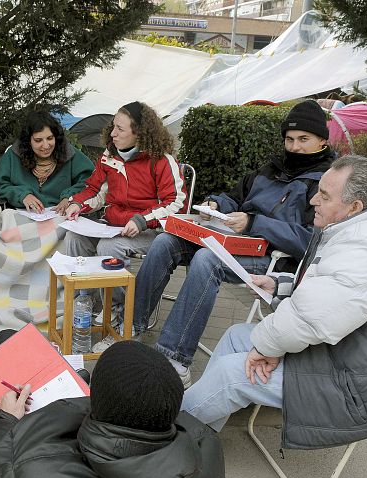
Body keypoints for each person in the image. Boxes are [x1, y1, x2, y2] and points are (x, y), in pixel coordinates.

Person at [182, 156, 367, 449]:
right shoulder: (363, 227)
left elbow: (311, 319)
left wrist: (266, 348)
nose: (314, 199)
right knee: (236, 336)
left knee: (233, 373)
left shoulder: (366, 249)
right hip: (352, 358)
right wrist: (281, 285)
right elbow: (329, 293)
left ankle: (154, 437)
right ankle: (195, 440)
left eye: (325, 196)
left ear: (355, 207)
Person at [133, 100, 337, 381]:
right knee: (165, 242)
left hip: (274, 258)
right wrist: (216, 205)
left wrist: (256, 223)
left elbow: (310, 241)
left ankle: (174, 359)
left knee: (207, 260)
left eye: (304, 139)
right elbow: (235, 197)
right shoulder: (271, 168)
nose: (294, 147)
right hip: (234, 239)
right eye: (289, 139)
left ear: (322, 141)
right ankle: (133, 326)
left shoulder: (325, 183)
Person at [0, 336, 227, 478]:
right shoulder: (208, 447)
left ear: (93, 398)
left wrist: (5, 421)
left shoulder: (32, 471)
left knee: (4, 342)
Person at [63, 101, 185, 340]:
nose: (112, 133)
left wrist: (142, 220)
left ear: (138, 132)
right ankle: (83, 301)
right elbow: (96, 190)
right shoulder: (110, 155)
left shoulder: (161, 160)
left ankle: (118, 310)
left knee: (109, 247)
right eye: (112, 127)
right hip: (114, 225)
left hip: (150, 229)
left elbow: (176, 204)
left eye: (120, 129)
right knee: (74, 235)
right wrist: (78, 204)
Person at [0, 111, 94, 214]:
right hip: (22, 215)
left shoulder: (70, 154)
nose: (46, 146)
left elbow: (90, 182)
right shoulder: (13, 156)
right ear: (28, 141)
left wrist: (70, 198)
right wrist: (22, 195)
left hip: (60, 217)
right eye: (38, 140)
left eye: (50, 138)